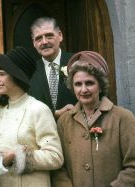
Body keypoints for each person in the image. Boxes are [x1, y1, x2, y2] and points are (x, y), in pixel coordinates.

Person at [53, 51, 135, 186]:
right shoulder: (64, 122)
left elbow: (133, 166)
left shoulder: (123, 118)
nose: (83, 90)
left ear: (101, 85)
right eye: (78, 84)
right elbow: (58, 169)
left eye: (89, 83)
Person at [0, 47, 63, 187]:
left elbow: (56, 157)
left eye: (1, 74)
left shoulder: (38, 109)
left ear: (16, 76)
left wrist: (17, 156)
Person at [28, 17, 77, 118]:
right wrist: (54, 113)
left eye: (49, 36)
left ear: (60, 36)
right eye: (39, 38)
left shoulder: (78, 62)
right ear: (33, 43)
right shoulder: (28, 72)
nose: (44, 42)